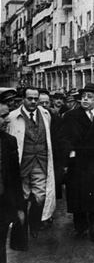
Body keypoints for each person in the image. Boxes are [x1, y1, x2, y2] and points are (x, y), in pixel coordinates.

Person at [60, 83, 94, 244]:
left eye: (90, 97)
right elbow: (63, 137)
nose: (85, 99)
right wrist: (70, 151)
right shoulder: (71, 116)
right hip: (77, 161)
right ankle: (80, 227)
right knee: (78, 196)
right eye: (84, 96)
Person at [7, 87, 56, 239]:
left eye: (36, 98)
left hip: (40, 162)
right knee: (22, 195)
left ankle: (34, 222)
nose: (34, 101)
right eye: (30, 98)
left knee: (40, 195)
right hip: (22, 163)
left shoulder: (46, 114)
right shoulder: (12, 117)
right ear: (23, 99)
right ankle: (23, 226)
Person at [0, 99, 25, 263]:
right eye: (1, 116)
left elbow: (16, 177)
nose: (6, 120)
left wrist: (19, 208)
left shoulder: (9, 141)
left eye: (6, 115)